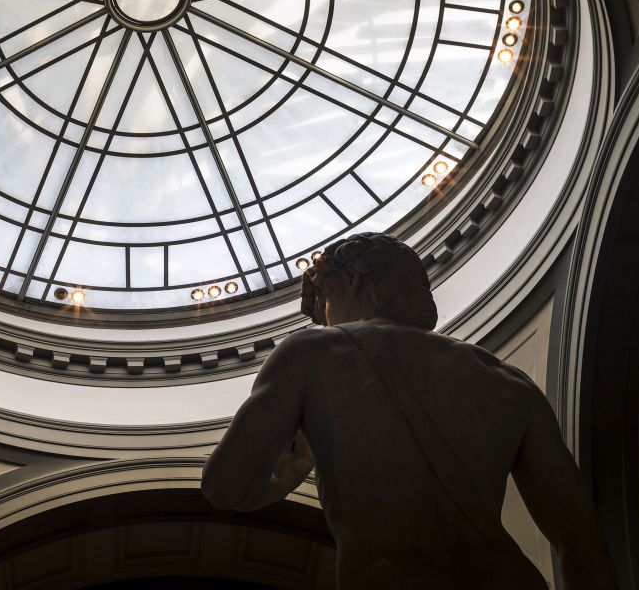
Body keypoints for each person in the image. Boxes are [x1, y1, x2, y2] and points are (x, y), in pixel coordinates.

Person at [201, 233, 617, 589]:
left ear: (352, 278)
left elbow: (224, 486)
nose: (323, 321)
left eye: (323, 300)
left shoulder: (309, 351)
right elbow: (582, 544)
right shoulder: (506, 380)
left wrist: (293, 469)